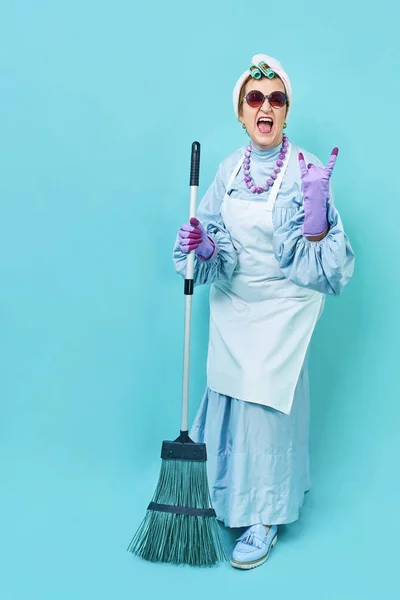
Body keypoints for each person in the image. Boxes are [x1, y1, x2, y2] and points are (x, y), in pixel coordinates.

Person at [173, 53, 355, 571]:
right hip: (234, 298)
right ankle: (224, 496)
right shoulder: (229, 170)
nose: (266, 106)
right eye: (256, 98)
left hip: (284, 302)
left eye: (277, 98)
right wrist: (204, 246)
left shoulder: (307, 171)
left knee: (264, 395)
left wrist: (318, 218)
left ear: (286, 110)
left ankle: (266, 514)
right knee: (227, 387)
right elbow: (215, 236)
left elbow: (321, 267)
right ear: (241, 111)